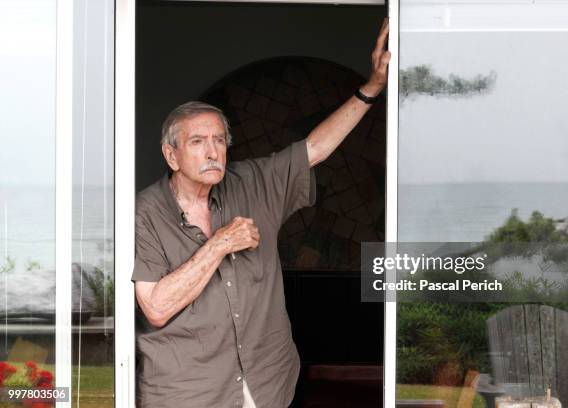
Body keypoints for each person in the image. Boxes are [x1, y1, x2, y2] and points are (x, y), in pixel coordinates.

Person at [131, 18, 390, 408]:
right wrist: (219, 243)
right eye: (198, 141)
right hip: (189, 393)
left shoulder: (252, 182)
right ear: (171, 154)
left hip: (267, 383)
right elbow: (157, 307)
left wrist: (372, 87)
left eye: (219, 140)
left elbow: (315, 149)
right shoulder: (143, 213)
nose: (213, 151)